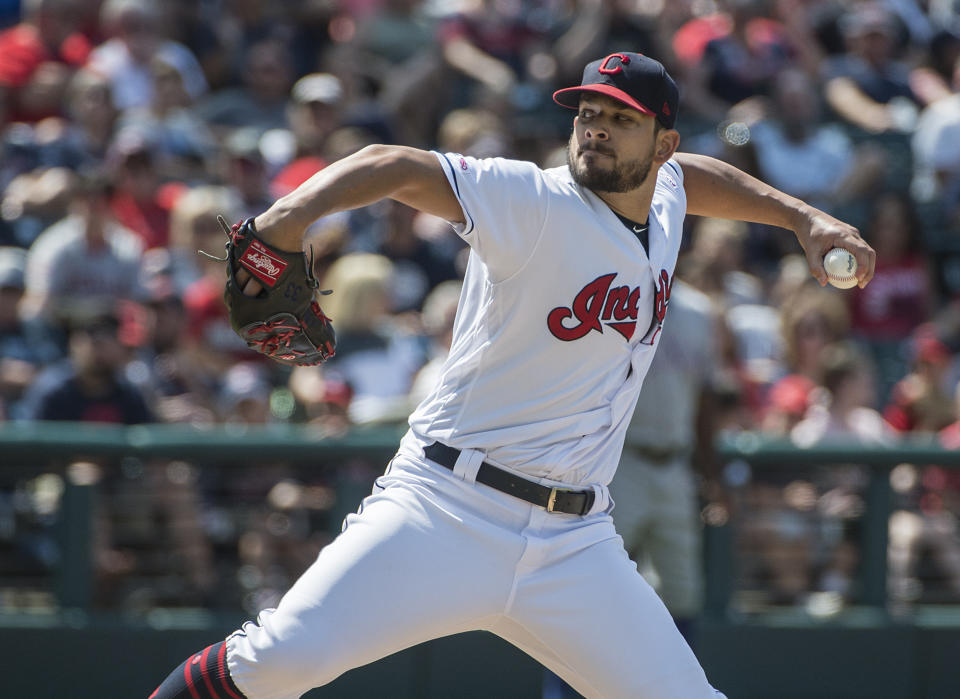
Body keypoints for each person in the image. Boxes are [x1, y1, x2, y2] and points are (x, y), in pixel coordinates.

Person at [149, 51, 874, 699]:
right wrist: (286, 217)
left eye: (620, 119)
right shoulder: (532, 199)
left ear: (662, 144)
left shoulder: (667, 194)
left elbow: (695, 180)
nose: (595, 127)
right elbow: (392, 164)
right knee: (277, 660)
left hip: (576, 542)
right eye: (587, 112)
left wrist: (803, 218)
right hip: (444, 506)